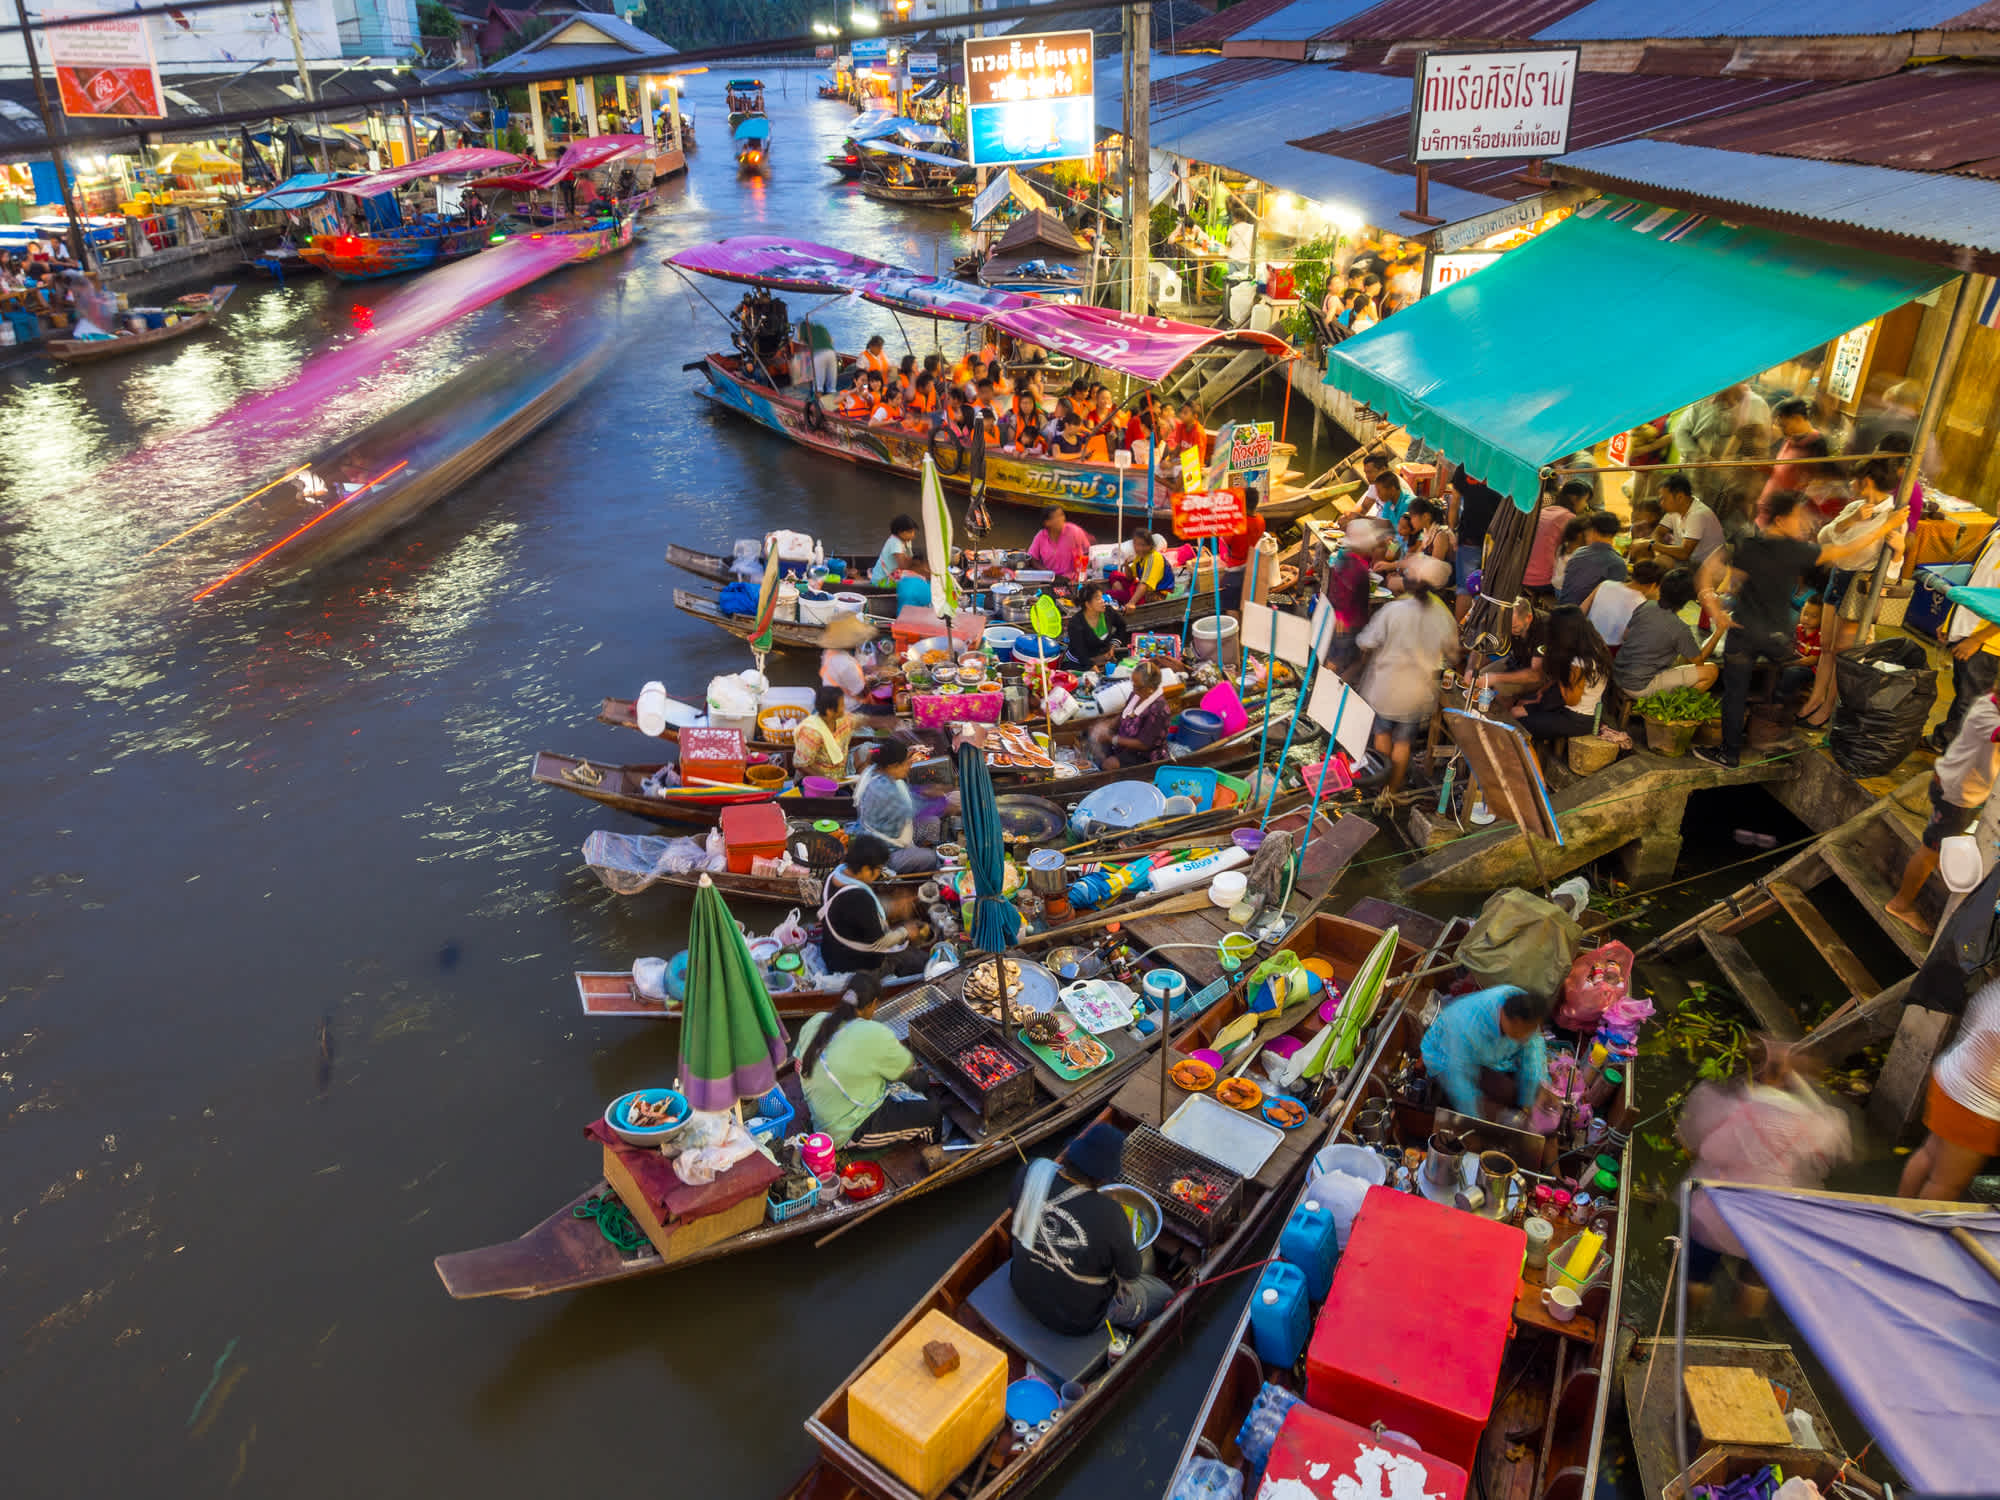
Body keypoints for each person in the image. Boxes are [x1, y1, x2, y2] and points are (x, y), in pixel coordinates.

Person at [1694, 490, 1905, 768]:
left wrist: (1716, 610)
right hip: (1778, 638)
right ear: (1780, 520)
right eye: (1797, 518)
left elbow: (1707, 570)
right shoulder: (1797, 552)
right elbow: (1845, 549)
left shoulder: (1748, 546)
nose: (1802, 524)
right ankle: (1776, 735)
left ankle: (1729, 753)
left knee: (1735, 694)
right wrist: (1888, 526)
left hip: (1743, 633)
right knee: (1787, 679)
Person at [1680, 1036, 1852, 1313]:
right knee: (1756, 1279)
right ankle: (1746, 1331)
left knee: (1697, 1274)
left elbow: (1710, 1150)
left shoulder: (1739, 1110)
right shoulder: (1815, 1120)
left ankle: (1690, 1321)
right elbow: (1832, 1144)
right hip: (1773, 1216)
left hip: (1722, 1212)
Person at [1009, 1121, 1174, 1335]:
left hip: (1023, 1286)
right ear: (1103, 1177)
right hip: (1076, 1320)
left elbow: (1016, 1208)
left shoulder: (1031, 1171)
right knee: (1164, 1294)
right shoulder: (1110, 1214)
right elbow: (1131, 1272)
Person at [1798, 459, 1908, 728]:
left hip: (1860, 585)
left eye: (1855, 478)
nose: (1851, 484)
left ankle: (1827, 708)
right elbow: (1824, 538)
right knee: (1826, 647)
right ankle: (1814, 699)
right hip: (1838, 576)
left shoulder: (1893, 517)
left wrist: (1900, 550)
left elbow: (1889, 569)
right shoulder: (1856, 507)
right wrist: (1849, 521)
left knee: (1841, 652)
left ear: (1867, 481)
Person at [1885, 690, 2000, 936]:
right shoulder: (1990, 720)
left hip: (1952, 783)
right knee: (1930, 851)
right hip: (1958, 797)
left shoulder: (1988, 702)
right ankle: (1901, 904)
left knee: (1939, 844)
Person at [796, 974, 944, 1148]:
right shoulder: (875, 1033)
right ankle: (934, 1146)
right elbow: (915, 1080)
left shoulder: (816, 1021)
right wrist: (927, 1081)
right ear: (872, 1004)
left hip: (823, 1116)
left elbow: (798, 1065)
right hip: (847, 1131)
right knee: (933, 1112)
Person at [1356, 554, 1459, 796]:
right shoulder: (1443, 615)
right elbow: (1454, 653)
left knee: (1382, 734)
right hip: (1416, 693)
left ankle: (1378, 786)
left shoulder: (1394, 609)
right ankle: (1390, 793)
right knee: (1403, 743)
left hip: (1386, 687)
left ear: (1408, 584)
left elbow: (1366, 641)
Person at [1899, 975, 2000, 1200]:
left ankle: (1897, 1210)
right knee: (1946, 1184)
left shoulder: (1995, 988)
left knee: (1928, 1154)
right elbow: (1984, 1068)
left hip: (1949, 1079)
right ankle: (1913, 1233)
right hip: (1974, 1105)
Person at [1420, 985, 1552, 1124]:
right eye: (1527, 1032)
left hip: (1482, 1057)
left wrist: (1529, 1101)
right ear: (1515, 1022)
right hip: (1444, 1056)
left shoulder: (1523, 1005)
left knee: (1512, 1094)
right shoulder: (1467, 1027)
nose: (1529, 1036)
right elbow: (1459, 1080)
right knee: (1483, 1112)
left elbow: (1533, 1051)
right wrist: (1478, 1122)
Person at [1928, 521, 2000, 751]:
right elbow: (1975, 585)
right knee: (1963, 693)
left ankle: (1957, 752)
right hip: (1967, 629)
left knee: (1970, 702)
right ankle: (1945, 739)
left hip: (1985, 642)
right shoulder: (1996, 535)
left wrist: (1977, 640)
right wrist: (1951, 622)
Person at [1515, 604, 1620, 748]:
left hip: (1577, 718)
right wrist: (1544, 690)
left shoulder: (1579, 662)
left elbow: (1571, 700)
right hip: (1565, 705)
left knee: (1518, 727)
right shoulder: (1592, 643)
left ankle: (1530, 764)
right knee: (1515, 711)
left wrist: (1562, 670)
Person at [1613, 567, 1721, 698]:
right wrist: (1719, 631)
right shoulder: (1680, 628)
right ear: (1687, 600)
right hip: (1639, 686)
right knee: (1711, 670)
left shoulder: (1647, 606)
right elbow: (1699, 661)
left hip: (1618, 673)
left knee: (1681, 658)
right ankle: (1675, 710)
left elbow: (1626, 635)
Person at [853, 740, 944, 873]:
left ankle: (917, 850)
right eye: (907, 763)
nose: (909, 766)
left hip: (894, 831)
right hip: (886, 852)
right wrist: (947, 804)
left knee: (933, 822)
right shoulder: (884, 789)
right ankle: (917, 862)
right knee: (931, 858)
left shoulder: (877, 770)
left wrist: (925, 792)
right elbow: (916, 809)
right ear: (894, 766)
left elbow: (909, 801)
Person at [1323, 516, 1391, 678]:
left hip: (1340, 619)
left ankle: (1324, 684)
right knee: (1339, 661)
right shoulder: (1359, 569)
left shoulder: (1345, 557)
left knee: (1338, 657)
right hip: (1350, 623)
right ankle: (1326, 690)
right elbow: (1348, 595)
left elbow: (1336, 589)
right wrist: (1343, 616)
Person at [1759, 399, 1833, 519]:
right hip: (1770, 505)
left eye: (1784, 425)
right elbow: (1784, 471)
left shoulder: (1817, 444)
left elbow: (1813, 485)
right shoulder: (1791, 438)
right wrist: (1767, 469)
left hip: (1784, 513)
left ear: (1798, 418)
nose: (1782, 431)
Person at [1089, 661, 1170, 769]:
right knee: (1092, 740)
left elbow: (1144, 744)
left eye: (1137, 687)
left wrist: (1112, 739)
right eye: (1133, 685)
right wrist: (1108, 726)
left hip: (1144, 754)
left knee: (1109, 764)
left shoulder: (1159, 710)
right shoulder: (1137, 693)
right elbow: (1124, 714)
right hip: (1123, 743)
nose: (1133, 689)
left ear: (1150, 688)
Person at [1671, 383, 1771, 467]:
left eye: (1723, 396)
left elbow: (1755, 443)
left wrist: (1728, 460)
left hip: (1733, 476)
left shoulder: (1755, 404)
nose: (1716, 400)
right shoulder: (1700, 402)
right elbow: (1681, 432)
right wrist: (1696, 455)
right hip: (1697, 472)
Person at [1446, 469, 1503, 604]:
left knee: (1465, 590)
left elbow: (1454, 503)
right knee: (1491, 593)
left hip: (1469, 536)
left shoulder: (1466, 466)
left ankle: (1461, 625)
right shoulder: (1505, 465)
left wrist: (1452, 530)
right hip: (1496, 539)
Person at [1651, 472, 1726, 571]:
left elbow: (1684, 553)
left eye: (1664, 499)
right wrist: (1655, 547)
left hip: (1706, 568)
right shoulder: (1675, 511)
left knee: (1660, 562)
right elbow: (1658, 532)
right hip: (1690, 562)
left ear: (1680, 497)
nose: (1661, 503)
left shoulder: (1697, 514)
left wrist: (1653, 546)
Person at [1523, 481, 1585, 596]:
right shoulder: (1569, 518)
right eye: (1585, 500)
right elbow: (1577, 551)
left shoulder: (1545, 510)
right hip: (1543, 581)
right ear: (1575, 498)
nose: (1585, 505)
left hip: (1522, 575)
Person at [820, 612, 888, 715]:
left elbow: (843, 675)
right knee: (891, 711)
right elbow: (861, 694)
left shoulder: (829, 652)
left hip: (834, 702)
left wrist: (868, 669)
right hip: (850, 709)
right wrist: (873, 684)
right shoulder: (846, 664)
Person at [1383, 497, 1455, 593]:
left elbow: (1435, 570)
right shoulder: (1427, 533)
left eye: (1413, 517)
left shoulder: (1440, 535)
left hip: (1436, 580)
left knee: (1392, 583)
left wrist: (1392, 567)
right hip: (1426, 577)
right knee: (1391, 580)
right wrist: (1397, 571)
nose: (1411, 521)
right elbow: (1415, 558)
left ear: (1425, 516)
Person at [1583, 558, 1659, 648]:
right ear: (1653, 585)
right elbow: (1626, 636)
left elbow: (1582, 609)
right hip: (1609, 649)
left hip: (1585, 638)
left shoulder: (1606, 584)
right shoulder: (1642, 603)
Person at [1558, 512, 1627, 607]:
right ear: (1615, 533)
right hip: (1583, 616)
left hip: (1563, 608)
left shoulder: (1579, 551)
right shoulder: (1617, 563)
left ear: (1593, 531)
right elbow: (1613, 599)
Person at [792, 684, 854, 783]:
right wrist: (825, 779)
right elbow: (800, 765)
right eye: (842, 705)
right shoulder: (811, 733)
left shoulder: (843, 720)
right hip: (813, 782)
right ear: (829, 711)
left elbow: (859, 720)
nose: (844, 708)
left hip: (839, 776)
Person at [1065, 582, 1129, 668]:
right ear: (1088, 604)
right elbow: (1080, 653)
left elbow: (1122, 626)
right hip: (1078, 662)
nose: (1103, 601)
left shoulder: (1108, 612)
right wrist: (1092, 665)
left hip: (1103, 659)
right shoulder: (1076, 623)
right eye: (1098, 598)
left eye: (1102, 597)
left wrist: (1113, 646)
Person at [1110, 528, 1173, 607]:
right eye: (1137, 545)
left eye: (1143, 545)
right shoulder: (1139, 557)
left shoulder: (1153, 558)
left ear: (1150, 545)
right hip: (1142, 589)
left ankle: (1125, 598)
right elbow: (1130, 578)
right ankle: (1123, 596)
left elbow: (1144, 584)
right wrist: (1126, 565)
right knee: (1114, 574)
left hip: (1155, 595)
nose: (1140, 548)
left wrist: (1131, 603)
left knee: (1111, 594)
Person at [1028, 505, 1091, 580]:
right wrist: (1047, 572)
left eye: (1061, 515)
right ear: (1047, 522)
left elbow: (1088, 551)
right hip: (1051, 578)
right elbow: (1032, 558)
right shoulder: (1041, 536)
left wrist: (1080, 571)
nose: (1062, 519)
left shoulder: (1074, 531)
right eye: (1056, 517)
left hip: (1073, 579)